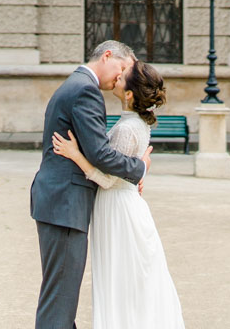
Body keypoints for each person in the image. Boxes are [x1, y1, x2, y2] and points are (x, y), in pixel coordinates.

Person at [51, 61, 185, 329]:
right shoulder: (135, 123)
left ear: (129, 95)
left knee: (120, 279)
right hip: (124, 204)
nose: (117, 76)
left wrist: (76, 155)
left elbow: (108, 180)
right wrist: (138, 173)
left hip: (118, 209)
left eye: (122, 77)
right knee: (130, 280)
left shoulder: (126, 128)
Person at [30, 40, 151, 329]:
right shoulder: (86, 89)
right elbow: (100, 153)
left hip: (59, 202)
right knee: (59, 302)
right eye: (121, 68)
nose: (119, 78)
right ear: (107, 56)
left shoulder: (75, 84)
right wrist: (140, 168)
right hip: (65, 204)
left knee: (60, 298)